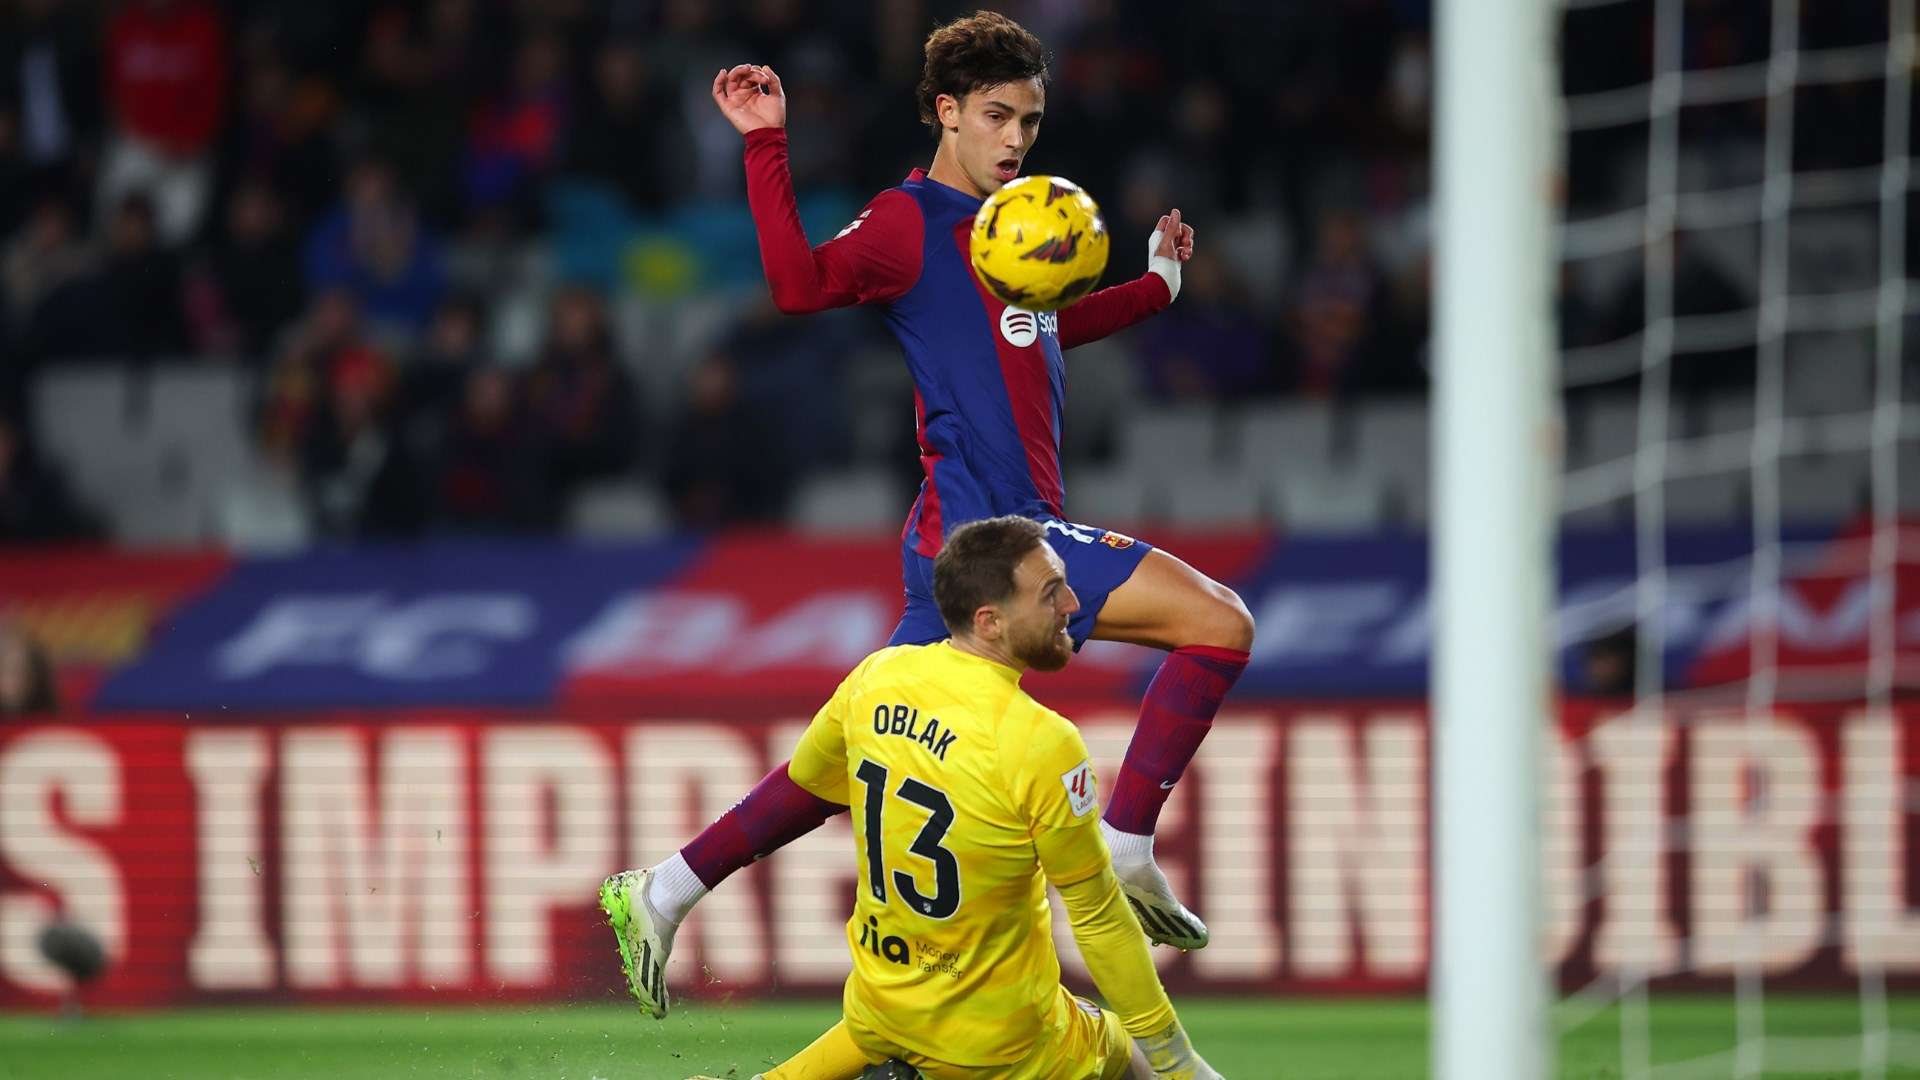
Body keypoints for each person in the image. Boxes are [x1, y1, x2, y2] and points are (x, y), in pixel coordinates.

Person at [605, 11, 1254, 1019]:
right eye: (996, 116)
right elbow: (796, 284)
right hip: (987, 542)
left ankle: (666, 886)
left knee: (851, 750)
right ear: (947, 113)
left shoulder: (1015, 232)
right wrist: (768, 142)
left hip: (976, 541)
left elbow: (1042, 326)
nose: (1014, 141)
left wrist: (1155, 288)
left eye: (1030, 122)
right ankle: (1124, 839)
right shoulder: (908, 224)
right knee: (1219, 622)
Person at [609, 517, 1222, 1080]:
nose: (1074, 605)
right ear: (990, 621)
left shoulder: (878, 676)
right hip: (1001, 1045)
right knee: (1130, 1055)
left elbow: (806, 785)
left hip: (883, 1007)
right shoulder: (1042, 741)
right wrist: (1176, 1056)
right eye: (1051, 593)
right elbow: (1097, 919)